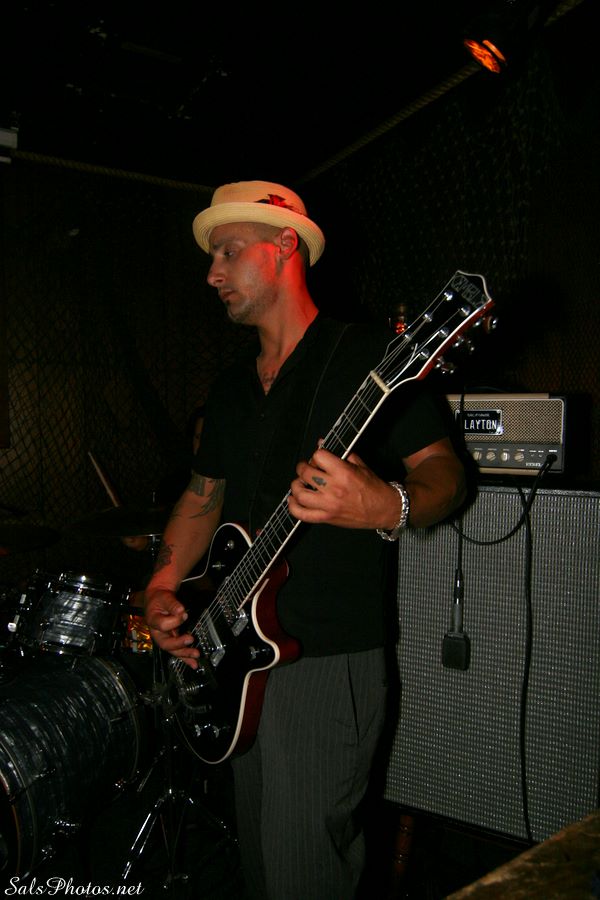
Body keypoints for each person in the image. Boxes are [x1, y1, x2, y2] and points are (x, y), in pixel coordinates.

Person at [143, 181, 467, 900]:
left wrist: (387, 503)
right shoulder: (231, 388)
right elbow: (202, 499)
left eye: (228, 252)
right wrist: (163, 587)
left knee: (305, 872)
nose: (212, 274)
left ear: (285, 245)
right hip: (236, 656)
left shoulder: (372, 357)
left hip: (324, 656)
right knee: (263, 866)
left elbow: (447, 476)